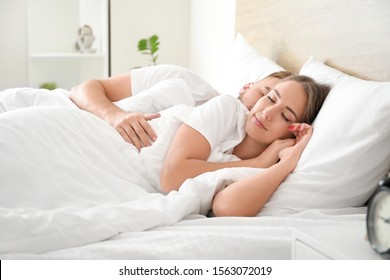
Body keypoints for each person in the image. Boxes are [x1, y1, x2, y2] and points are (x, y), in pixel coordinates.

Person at [70, 64, 293, 150]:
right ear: (247, 86)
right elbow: (83, 89)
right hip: (76, 120)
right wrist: (115, 116)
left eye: (284, 113)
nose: (264, 108)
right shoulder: (184, 80)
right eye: (266, 95)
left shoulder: (230, 151)